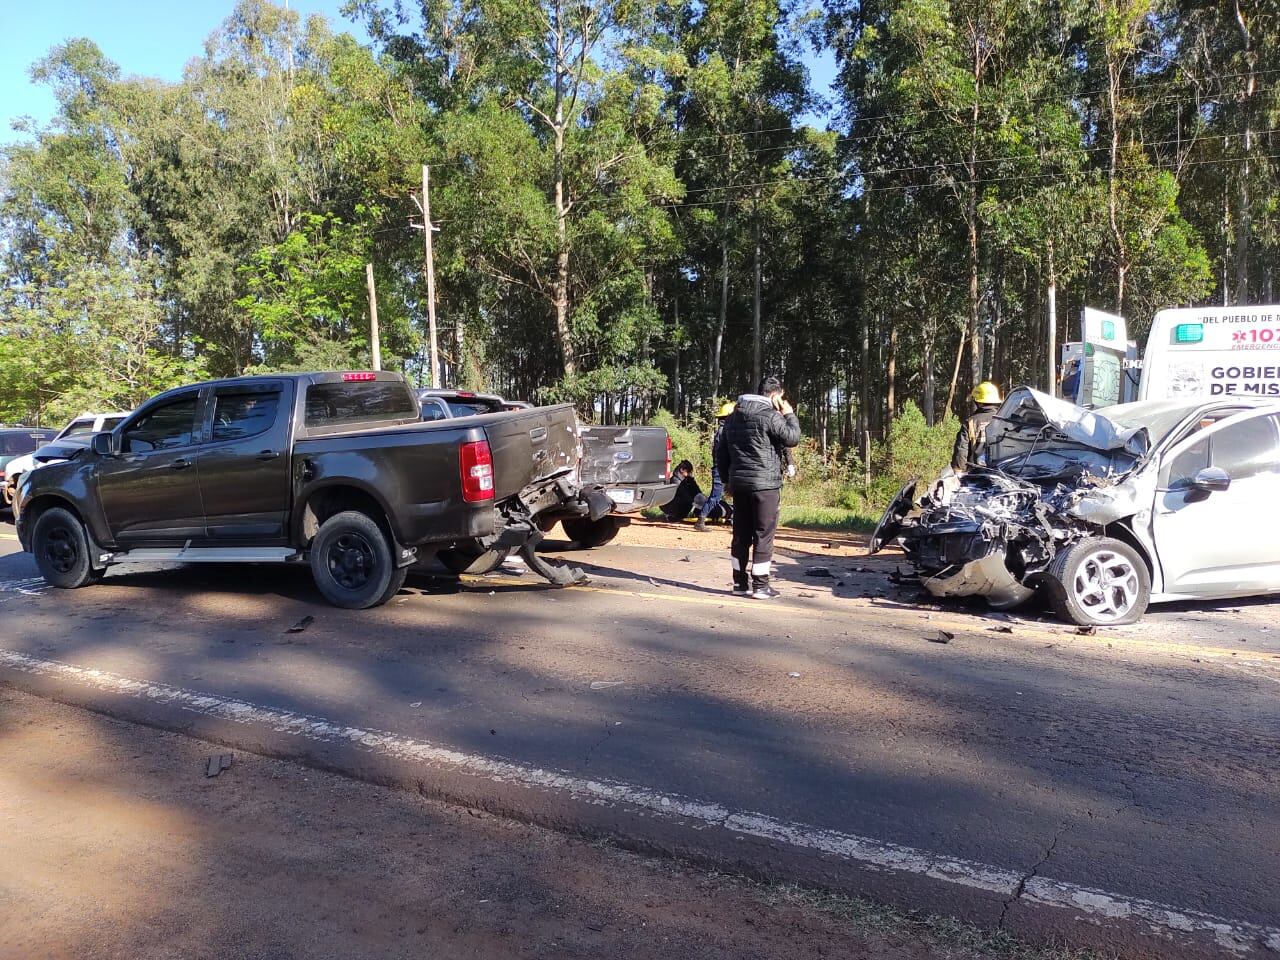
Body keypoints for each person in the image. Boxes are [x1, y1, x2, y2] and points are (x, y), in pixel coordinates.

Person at [715, 375, 801, 599]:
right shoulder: (771, 416)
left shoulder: (733, 418)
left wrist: (726, 481)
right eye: (781, 398)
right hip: (765, 486)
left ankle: (739, 583)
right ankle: (761, 586)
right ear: (775, 396)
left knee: (741, 534)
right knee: (763, 534)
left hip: (739, 485)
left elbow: (721, 454)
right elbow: (792, 438)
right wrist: (789, 413)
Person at [695, 402, 734, 531]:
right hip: (720, 469)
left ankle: (734, 518)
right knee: (715, 497)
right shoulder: (724, 432)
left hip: (723, 469)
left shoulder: (724, 431)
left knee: (735, 495)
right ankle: (700, 521)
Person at [952, 381, 1002, 473]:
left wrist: (958, 470)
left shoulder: (970, 422)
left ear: (978, 402)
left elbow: (961, 449)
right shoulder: (1005, 419)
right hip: (1006, 475)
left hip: (977, 475)